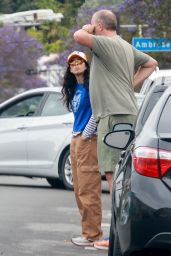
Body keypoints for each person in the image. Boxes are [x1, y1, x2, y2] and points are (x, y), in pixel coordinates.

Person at [73, 10, 158, 250]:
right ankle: (121, 234)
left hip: (113, 116)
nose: (90, 28)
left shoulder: (105, 43)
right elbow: (151, 63)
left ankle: (116, 237)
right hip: (125, 113)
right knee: (124, 177)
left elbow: (78, 36)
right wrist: (129, 86)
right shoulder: (125, 46)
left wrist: (87, 29)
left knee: (113, 177)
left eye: (93, 25)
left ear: (99, 26)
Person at [62, 51, 102, 247]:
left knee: (88, 189)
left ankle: (93, 235)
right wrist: (77, 137)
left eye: (80, 62)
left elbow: (98, 111)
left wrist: (86, 134)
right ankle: (87, 232)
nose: (76, 65)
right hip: (76, 139)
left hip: (88, 139)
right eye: (73, 63)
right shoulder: (75, 88)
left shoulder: (91, 85)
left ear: (86, 65)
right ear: (70, 69)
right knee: (79, 189)